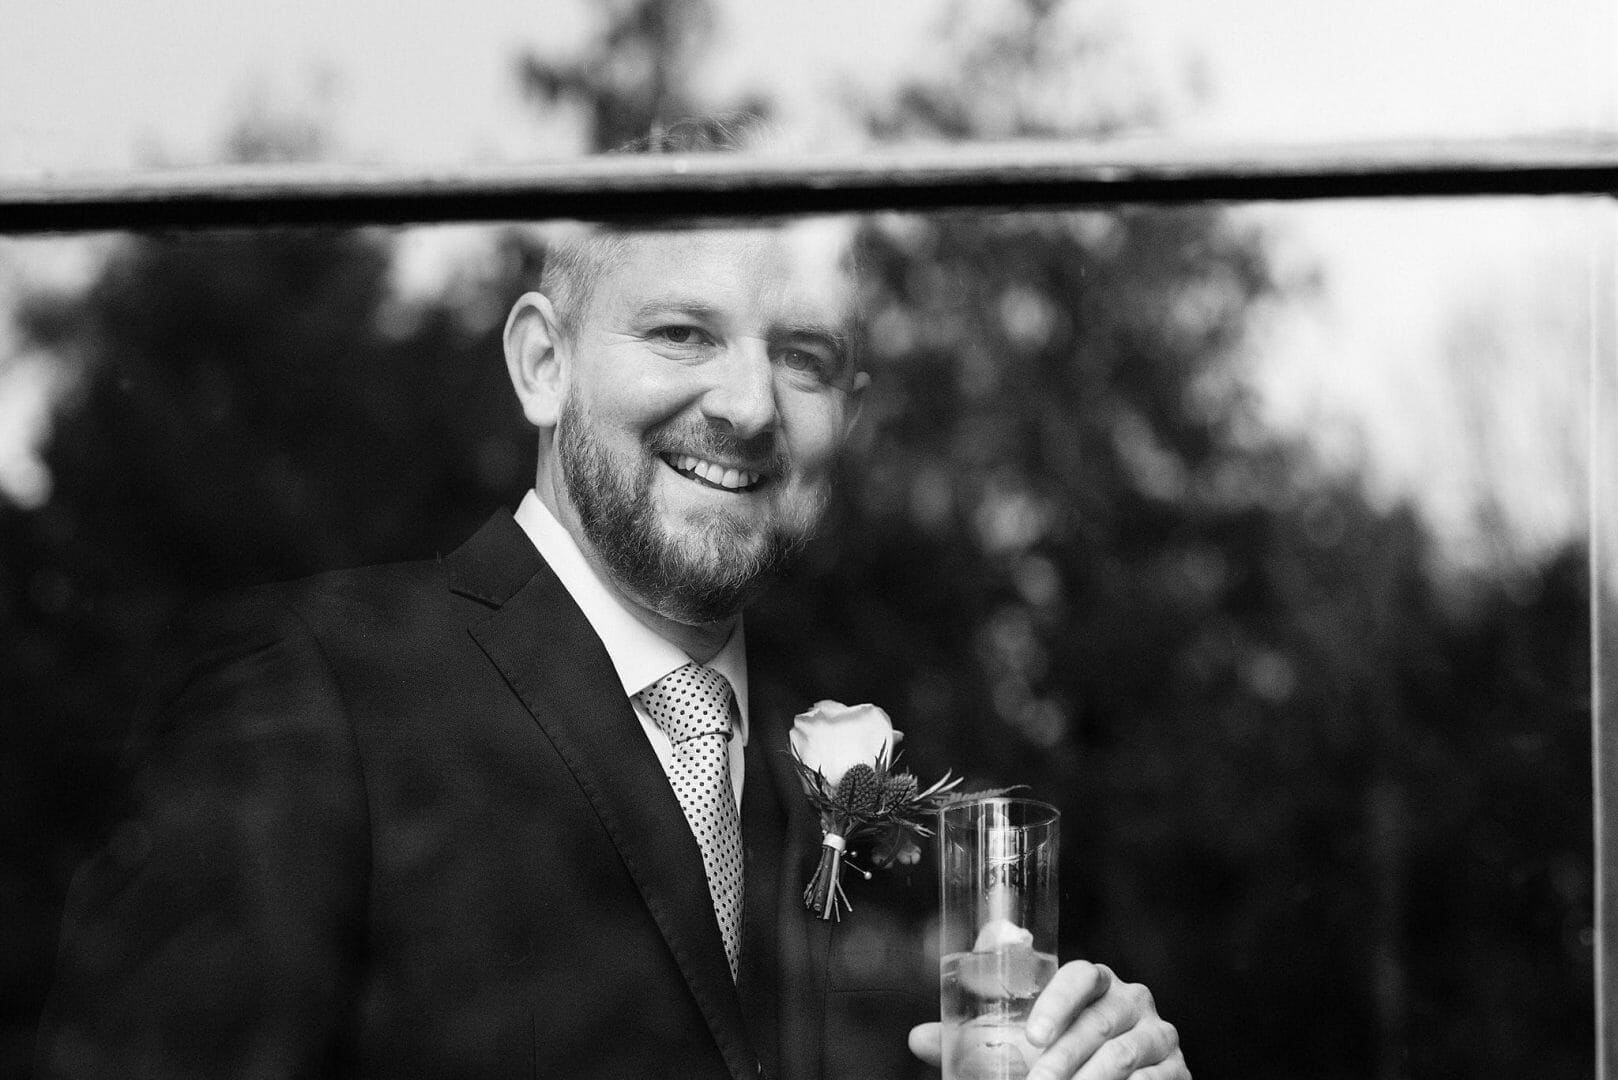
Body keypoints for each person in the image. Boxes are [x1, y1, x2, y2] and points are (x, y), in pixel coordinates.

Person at [36, 121, 1188, 1080]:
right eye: (683, 332)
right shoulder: (313, 695)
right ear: (543, 364)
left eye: (805, 358)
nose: (748, 406)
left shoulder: (870, 804)